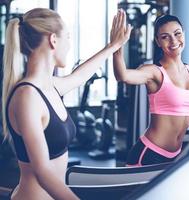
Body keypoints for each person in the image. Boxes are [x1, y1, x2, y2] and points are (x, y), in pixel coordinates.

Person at [1, 8, 131, 200]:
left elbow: (79, 76)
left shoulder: (49, 86)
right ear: (53, 40)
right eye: (68, 37)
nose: (69, 45)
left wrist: (112, 46)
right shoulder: (27, 96)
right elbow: (43, 171)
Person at [111, 11, 189, 167]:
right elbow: (122, 76)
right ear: (157, 41)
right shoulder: (154, 72)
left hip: (175, 156)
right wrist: (116, 47)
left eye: (177, 34)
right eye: (165, 37)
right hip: (149, 154)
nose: (173, 41)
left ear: (184, 34)